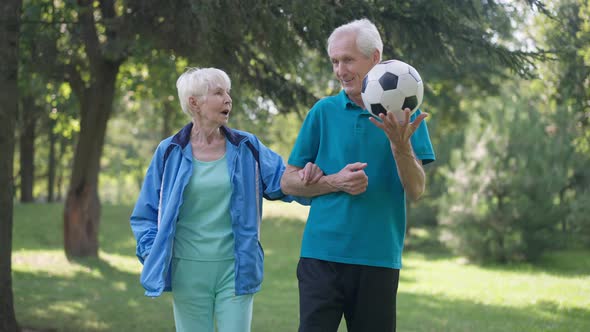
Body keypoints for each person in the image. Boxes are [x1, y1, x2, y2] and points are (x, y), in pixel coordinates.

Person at [130, 67, 322, 332]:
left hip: (237, 269)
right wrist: (153, 252)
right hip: (187, 271)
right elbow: (145, 213)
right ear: (194, 102)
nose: (228, 99)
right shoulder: (169, 151)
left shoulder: (248, 146)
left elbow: (285, 182)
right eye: (218, 93)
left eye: (228, 93)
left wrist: (317, 178)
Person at [280, 19, 436, 332]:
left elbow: (416, 189)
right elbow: (288, 182)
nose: (340, 70)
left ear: (375, 58)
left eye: (348, 60)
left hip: (377, 257)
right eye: (335, 61)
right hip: (320, 255)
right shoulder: (323, 111)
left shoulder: (408, 113)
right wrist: (332, 181)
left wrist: (399, 145)